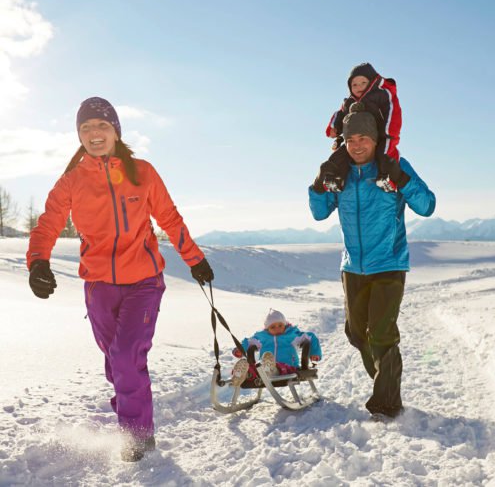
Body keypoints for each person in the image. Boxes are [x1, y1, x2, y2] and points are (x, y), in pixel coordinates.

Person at [26, 97, 214, 461]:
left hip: (144, 281)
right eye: (85, 128)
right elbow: (48, 222)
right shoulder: (71, 181)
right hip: (98, 286)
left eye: (101, 126)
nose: (94, 134)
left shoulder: (141, 172)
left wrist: (195, 259)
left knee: (127, 356)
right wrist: (38, 263)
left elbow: (169, 218)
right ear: (78, 135)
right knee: (116, 363)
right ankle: (132, 412)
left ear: (115, 131)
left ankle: (138, 436)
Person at [309, 102, 436, 419]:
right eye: (351, 140)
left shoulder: (392, 166)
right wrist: (318, 184)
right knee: (356, 334)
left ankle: (387, 401)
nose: (357, 145)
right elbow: (319, 212)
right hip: (352, 267)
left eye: (364, 138)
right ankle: (385, 379)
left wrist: (402, 178)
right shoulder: (341, 173)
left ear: (376, 139)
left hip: (389, 264)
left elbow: (427, 205)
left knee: (380, 333)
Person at [324, 62, 402, 193]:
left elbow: (393, 110)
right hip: (355, 138)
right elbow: (339, 114)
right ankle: (336, 179)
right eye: (354, 84)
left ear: (372, 82)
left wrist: (389, 131)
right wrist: (333, 127)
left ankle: (388, 178)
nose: (358, 87)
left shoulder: (382, 95)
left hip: (382, 135)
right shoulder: (349, 102)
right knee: (339, 156)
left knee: (386, 155)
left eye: (363, 83)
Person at [231, 309, 322, 386]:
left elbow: (310, 337)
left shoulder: (291, 335)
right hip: (264, 368)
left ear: (285, 325)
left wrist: (314, 352)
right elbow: (249, 342)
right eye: (273, 327)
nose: (277, 329)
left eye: (280, 325)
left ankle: (271, 370)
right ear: (267, 328)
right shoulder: (263, 337)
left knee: (274, 367)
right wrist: (240, 349)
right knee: (255, 368)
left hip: (289, 368)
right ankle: (243, 374)